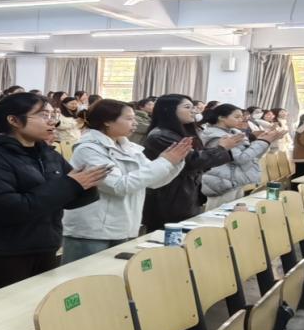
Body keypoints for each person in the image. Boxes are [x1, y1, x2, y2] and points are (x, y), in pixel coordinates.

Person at [0, 92, 106, 301]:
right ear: (14, 120)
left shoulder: (47, 153)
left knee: (37, 312)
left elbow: (68, 199)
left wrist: (87, 184)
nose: (52, 121)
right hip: (0, 255)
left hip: (43, 247)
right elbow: (10, 210)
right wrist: (71, 184)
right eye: (43, 115)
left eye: (53, 115)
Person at [62, 99, 190, 263]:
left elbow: (153, 182)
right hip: (92, 231)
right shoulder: (88, 149)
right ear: (107, 121)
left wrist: (174, 162)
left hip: (123, 225)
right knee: (85, 276)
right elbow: (119, 186)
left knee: (115, 276)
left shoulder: (129, 148)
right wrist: (164, 162)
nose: (135, 123)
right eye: (129, 118)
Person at [141, 94, 242, 231]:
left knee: (186, 234)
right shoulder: (160, 135)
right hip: (169, 196)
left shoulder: (181, 132)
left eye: (193, 107)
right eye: (187, 107)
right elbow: (191, 161)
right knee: (169, 235)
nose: (194, 111)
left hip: (187, 192)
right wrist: (221, 148)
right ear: (169, 110)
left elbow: (199, 160)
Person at [199, 104, 284, 211]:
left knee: (236, 215)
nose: (241, 119)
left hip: (235, 180)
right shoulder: (216, 136)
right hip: (221, 182)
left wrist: (266, 141)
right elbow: (240, 159)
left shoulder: (234, 133)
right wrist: (262, 142)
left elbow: (252, 156)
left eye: (241, 116)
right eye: (237, 117)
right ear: (221, 117)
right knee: (219, 215)